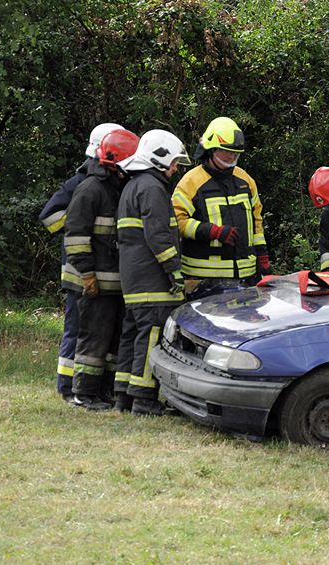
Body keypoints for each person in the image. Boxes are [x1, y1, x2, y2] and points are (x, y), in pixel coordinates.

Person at [39, 122, 124, 402]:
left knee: (95, 331)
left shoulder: (109, 182)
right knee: (77, 331)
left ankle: (92, 387)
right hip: (79, 269)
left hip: (96, 267)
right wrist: (80, 214)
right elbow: (50, 218)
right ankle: (67, 387)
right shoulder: (81, 183)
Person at [115, 129, 190, 415]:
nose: (174, 169)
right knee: (150, 337)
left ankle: (124, 395)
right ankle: (144, 400)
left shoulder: (134, 186)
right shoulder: (153, 188)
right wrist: (175, 272)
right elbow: (159, 236)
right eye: (173, 163)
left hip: (133, 280)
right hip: (151, 280)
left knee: (132, 335)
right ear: (159, 158)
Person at [64, 128, 140, 410]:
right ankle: (84, 394)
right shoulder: (91, 189)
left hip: (114, 284)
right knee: (92, 342)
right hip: (93, 282)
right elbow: (75, 237)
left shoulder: (117, 187)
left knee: (111, 342)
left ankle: (103, 392)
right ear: (117, 162)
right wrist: (87, 275)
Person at [172, 117, 269, 296]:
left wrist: (262, 255)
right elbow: (177, 222)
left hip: (246, 277)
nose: (232, 156)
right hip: (203, 281)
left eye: (235, 152)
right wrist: (212, 231)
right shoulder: (190, 182)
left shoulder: (245, 180)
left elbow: (257, 220)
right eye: (227, 152)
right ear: (212, 149)